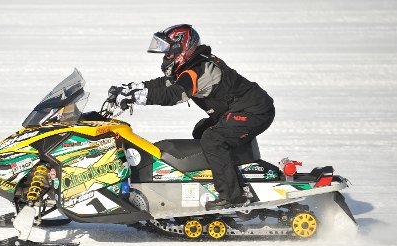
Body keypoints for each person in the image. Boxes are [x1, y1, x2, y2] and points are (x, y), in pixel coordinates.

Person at [108, 24, 275, 211]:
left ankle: (232, 197)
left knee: (213, 139)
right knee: (202, 130)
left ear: (183, 49)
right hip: (238, 110)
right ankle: (225, 175)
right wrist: (131, 88)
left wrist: (138, 98)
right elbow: (165, 83)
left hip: (254, 111)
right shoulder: (190, 66)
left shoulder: (201, 70)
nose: (166, 57)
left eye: (169, 53)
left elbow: (174, 94)